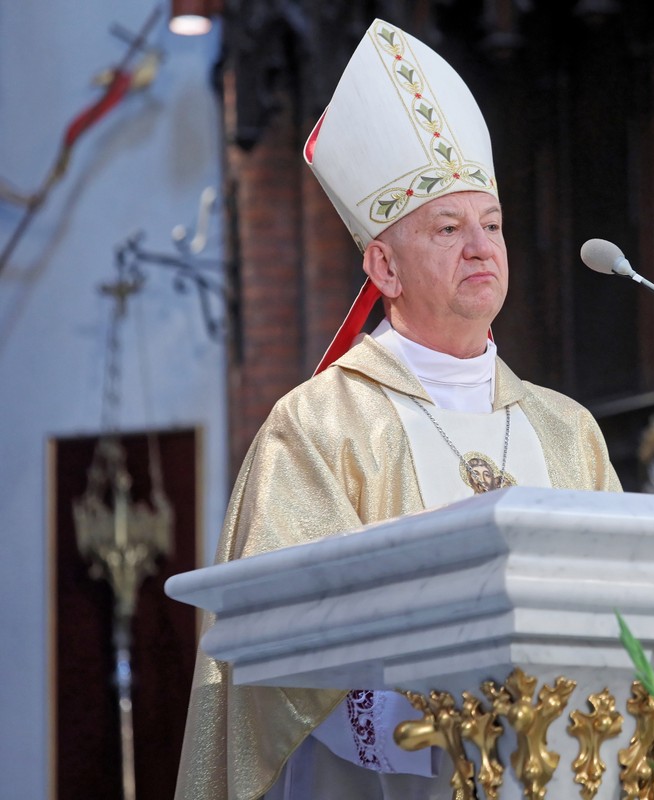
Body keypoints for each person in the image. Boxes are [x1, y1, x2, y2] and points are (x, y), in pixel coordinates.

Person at [175, 18, 620, 800]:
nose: (481, 248)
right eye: (448, 229)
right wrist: (457, 736)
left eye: (492, 225)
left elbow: (626, 614)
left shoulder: (567, 429)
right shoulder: (318, 427)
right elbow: (281, 657)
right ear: (383, 264)